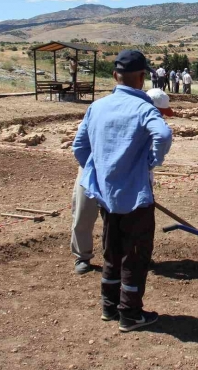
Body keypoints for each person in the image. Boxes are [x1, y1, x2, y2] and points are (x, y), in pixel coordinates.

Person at [72, 49, 172, 332]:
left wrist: (99, 171)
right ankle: (130, 313)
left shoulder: (97, 107)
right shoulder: (143, 109)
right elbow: (163, 135)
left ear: (115, 75)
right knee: (135, 254)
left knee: (112, 250)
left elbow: (79, 147)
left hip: (107, 196)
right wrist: (152, 161)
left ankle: (109, 306)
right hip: (136, 198)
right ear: (141, 78)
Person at [70, 87, 174, 275]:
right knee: (84, 214)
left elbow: (147, 158)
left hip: (124, 174)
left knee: (119, 219)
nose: (162, 117)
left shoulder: (148, 123)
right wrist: (94, 168)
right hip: (92, 169)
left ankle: (123, 257)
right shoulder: (114, 111)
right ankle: (82, 256)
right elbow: (80, 144)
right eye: (160, 112)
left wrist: (145, 183)